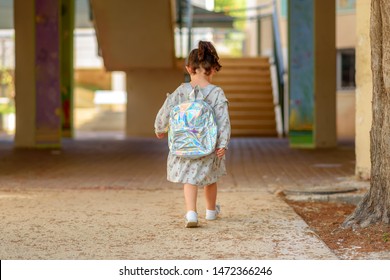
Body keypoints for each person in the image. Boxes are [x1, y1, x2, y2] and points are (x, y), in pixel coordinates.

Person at [154, 41, 231, 228]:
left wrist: (160, 128)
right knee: (210, 179)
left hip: (184, 146)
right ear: (212, 69)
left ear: (189, 69)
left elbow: (166, 111)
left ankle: (191, 213)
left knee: (190, 179)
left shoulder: (180, 91)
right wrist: (222, 144)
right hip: (208, 147)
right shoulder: (216, 93)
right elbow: (223, 120)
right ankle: (211, 212)